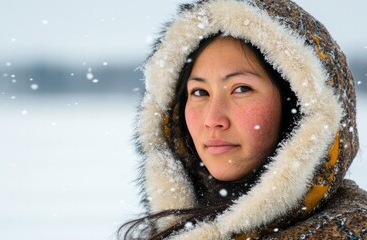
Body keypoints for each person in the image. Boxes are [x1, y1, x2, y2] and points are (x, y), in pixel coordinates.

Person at [119, 0, 367, 239]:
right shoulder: (171, 227)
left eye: (241, 89)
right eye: (199, 92)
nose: (213, 119)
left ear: (297, 105)